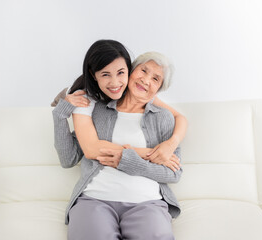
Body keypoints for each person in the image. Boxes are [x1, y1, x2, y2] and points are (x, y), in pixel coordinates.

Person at [52, 40, 184, 240]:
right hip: (95, 200)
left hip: (147, 203)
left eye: (156, 79)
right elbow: (68, 159)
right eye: (143, 71)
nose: (146, 80)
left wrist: (130, 162)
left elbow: (174, 174)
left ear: (159, 88)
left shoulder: (162, 117)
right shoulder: (95, 107)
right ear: (132, 71)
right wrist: (60, 115)